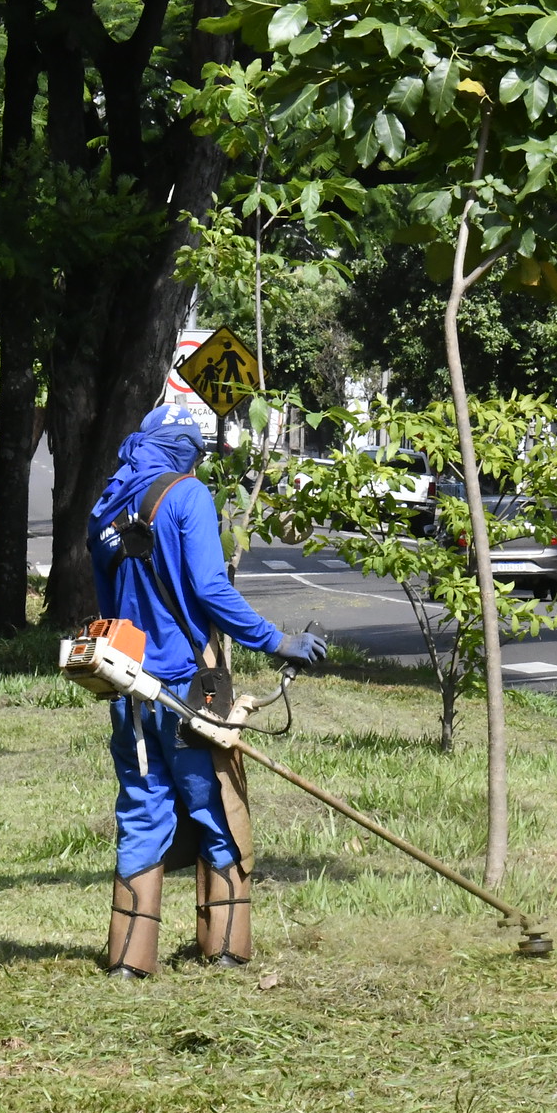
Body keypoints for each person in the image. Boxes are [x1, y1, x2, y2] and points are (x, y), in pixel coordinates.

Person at [87, 403, 327, 978]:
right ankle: (223, 949)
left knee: (143, 811)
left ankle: (129, 961)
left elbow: (104, 595)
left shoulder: (109, 503)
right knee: (217, 804)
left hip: (126, 683)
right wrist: (276, 641)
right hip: (193, 689)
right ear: (189, 456)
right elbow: (210, 589)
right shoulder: (188, 496)